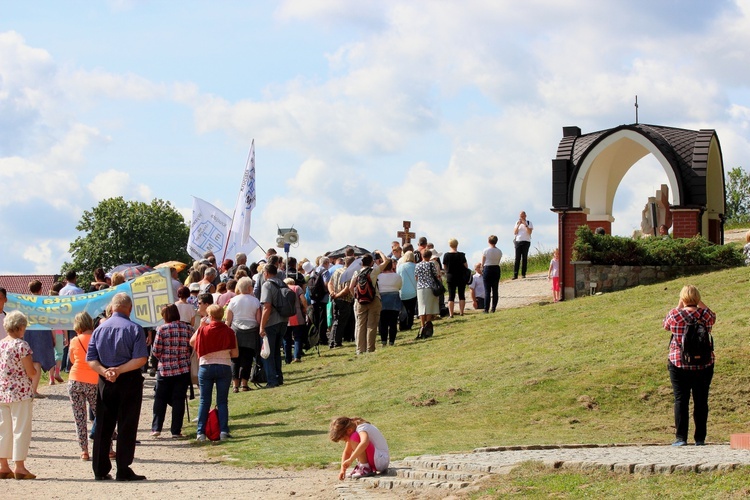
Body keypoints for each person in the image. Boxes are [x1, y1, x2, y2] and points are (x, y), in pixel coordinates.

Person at [86, 293, 149, 481]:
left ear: (112, 308)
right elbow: (140, 359)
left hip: (105, 381)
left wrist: (106, 372)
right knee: (127, 424)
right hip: (128, 379)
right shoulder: (135, 329)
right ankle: (123, 468)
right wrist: (119, 370)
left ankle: (99, 468)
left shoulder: (98, 329)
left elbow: (91, 359)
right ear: (129, 309)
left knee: (104, 425)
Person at [663, 285, 716, 447]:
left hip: (679, 362)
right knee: (701, 400)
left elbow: (666, 325)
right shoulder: (705, 315)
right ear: (698, 298)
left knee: (681, 400)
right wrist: (699, 302)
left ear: (682, 298)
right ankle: (700, 439)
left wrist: (680, 305)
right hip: (704, 364)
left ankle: (681, 438)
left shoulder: (675, 314)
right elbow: (713, 317)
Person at [191, 305, 238, 441]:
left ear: (210, 316)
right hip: (224, 366)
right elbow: (235, 353)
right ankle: (223, 430)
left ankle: (201, 433)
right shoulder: (229, 331)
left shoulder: (203, 330)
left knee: (204, 401)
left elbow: (192, 342)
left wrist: (200, 326)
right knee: (222, 401)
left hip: (206, 366)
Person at [0, 311, 37, 479]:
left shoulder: (1, 345)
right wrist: (35, 371)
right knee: (20, 428)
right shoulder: (22, 346)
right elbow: (30, 371)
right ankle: (20, 467)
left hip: (2, 391)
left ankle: (3, 466)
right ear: (21, 327)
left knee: (3, 429)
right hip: (20, 392)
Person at [151, 304, 192, 438]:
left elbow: (156, 351)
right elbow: (192, 347)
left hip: (165, 370)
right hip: (183, 369)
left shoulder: (162, 329)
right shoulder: (188, 328)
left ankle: (157, 428)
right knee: (179, 399)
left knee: (160, 399)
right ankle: (176, 430)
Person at [67, 312, 101, 461]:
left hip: (75, 380)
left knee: (79, 418)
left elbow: (72, 360)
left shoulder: (74, 340)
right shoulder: (97, 338)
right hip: (94, 380)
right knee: (100, 416)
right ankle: (107, 449)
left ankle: (84, 451)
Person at [349, 251, 390, 355]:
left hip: (360, 301)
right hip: (373, 299)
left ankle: (359, 349)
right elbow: (386, 261)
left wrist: (356, 297)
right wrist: (380, 252)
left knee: (360, 325)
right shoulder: (373, 271)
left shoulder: (356, 272)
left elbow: (350, 287)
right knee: (371, 325)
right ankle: (370, 348)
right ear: (371, 262)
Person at [225, 277, 261, 392]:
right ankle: (244, 384)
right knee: (247, 358)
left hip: (236, 330)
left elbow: (228, 319)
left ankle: (235, 385)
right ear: (250, 288)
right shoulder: (255, 301)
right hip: (251, 331)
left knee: (235, 359)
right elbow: (259, 319)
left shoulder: (233, 300)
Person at [25, 280, 55, 398]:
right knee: (37, 361)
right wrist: (53, 336)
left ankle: (29, 389)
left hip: (28, 332)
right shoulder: (44, 302)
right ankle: (34, 390)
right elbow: (49, 319)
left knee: (29, 359)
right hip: (42, 332)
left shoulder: (26, 302)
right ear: (40, 289)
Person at [259, 264, 287, 388]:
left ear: (266, 273)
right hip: (283, 320)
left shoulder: (267, 285)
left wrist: (261, 326)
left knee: (268, 352)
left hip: (271, 322)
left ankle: (272, 380)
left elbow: (267, 307)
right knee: (276, 351)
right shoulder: (282, 283)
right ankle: (278, 377)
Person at [414, 249, 440, 338]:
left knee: (421, 307)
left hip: (420, 287)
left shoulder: (417, 265)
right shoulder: (431, 264)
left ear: (422, 256)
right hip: (429, 286)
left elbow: (416, 277)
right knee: (429, 306)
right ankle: (428, 324)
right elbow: (436, 275)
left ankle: (422, 325)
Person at [377, 259, 402, 346]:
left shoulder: (378, 277)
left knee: (383, 322)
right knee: (393, 322)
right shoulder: (397, 276)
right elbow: (399, 286)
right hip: (394, 298)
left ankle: (383, 340)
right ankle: (391, 341)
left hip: (382, 299)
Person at [283, 277, 308, 363]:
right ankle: (297, 356)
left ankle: (287, 358)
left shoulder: (281, 290)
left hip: (285, 316)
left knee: (286, 338)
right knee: (297, 337)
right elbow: (303, 300)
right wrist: (305, 309)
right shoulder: (297, 288)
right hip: (297, 315)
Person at [442, 239, 468, 318]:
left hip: (451, 276)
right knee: (461, 294)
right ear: (457, 245)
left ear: (450, 245)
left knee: (451, 295)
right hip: (461, 276)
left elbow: (444, 266)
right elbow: (466, 266)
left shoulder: (446, 255)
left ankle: (451, 313)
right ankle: (461, 312)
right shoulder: (461, 255)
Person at [396, 251, 417, 331]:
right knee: (411, 309)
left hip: (403, 291)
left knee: (403, 310)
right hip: (413, 291)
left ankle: (402, 324)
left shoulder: (401, 267)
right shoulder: (415, 266)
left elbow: (398, 278)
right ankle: (409, 324)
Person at [481, 235, 502, 313]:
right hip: (496, 268)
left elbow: (483, 261)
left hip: (488, 268)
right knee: (495, 289)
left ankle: (486, 309)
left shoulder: (486, 250)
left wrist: (482, 268)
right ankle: (493, 308)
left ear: (488, 241)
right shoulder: (499, 251)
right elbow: (498, 261)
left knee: (487, 290)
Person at [512, 211, 533, 280]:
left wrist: (525, 224)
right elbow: (515, 232)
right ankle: (515, 274)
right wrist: (518, 225)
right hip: (518, 241)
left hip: (526, 241)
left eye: (523, 216)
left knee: (524, 258)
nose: (521, 217)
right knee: (517, 258)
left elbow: (529, 232)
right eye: (520, 216)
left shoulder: (529, 223)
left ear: (525, 216)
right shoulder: (517, 223)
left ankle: (523, 274)